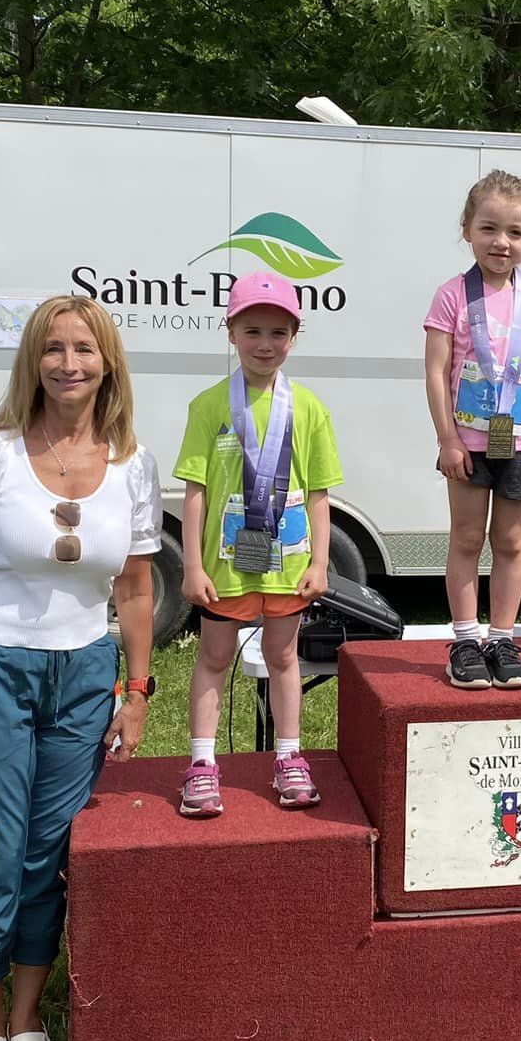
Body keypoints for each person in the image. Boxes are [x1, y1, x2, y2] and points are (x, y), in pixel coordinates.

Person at [0, 295, 161, 1041]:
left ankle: (29, 1017)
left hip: (85, 674)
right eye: (53, 349)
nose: (68, 364)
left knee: (48, 859)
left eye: (84, 350)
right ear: (33, 361)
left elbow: (136, 590)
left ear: (108, 363)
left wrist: (136, 691)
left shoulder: (133, 463)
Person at [175, 271, 341, 817]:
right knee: (214, 657)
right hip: (224, 567)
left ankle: (289, 757)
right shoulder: (208, 405)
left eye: (277, 332)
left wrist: (320, 563)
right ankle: (202, 765)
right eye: (252, 331)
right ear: (231, 334)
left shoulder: (310, 408)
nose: (265, 344)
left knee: (284, 657)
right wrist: (192, 566)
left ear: (294, 337)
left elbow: (319, 494)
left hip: (288, 566)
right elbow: (195, 492)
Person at [424, 170, 521, 690]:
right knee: (466, 537)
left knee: (510, 541)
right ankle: (466, 639)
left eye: (515, 232)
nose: (501, 242)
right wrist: (447, 439)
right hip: (467, 444)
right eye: (488, 228)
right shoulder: (451, 296)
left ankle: (503, 639)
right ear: (466, 229)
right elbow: (436, 371)